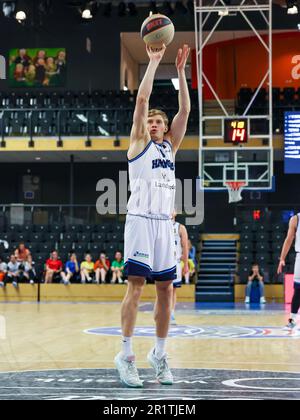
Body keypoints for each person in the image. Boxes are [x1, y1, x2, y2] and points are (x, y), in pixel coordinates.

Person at [115, 43, 190, 388]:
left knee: (165, 291)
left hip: (164, 225)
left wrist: (180, 72)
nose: (157, 124)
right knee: (136, 287)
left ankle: (159, 354)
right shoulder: (138, 143)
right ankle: (126, 354)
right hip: (141, 221)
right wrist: (155, 61)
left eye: (161, 121)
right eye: (153, 121)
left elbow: (185, 112)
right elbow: (142, 100)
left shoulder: (169, 149)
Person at [278, 214, 300, 328]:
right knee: (298, 291)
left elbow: (289, 240)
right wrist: (282, 258)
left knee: (298, 291)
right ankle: (292, 319)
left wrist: (282, 258)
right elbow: (289, 239)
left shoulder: (295, 219)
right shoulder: (296, 219)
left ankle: (292, 319)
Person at [171, 213, 189, 325]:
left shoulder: (180, 227)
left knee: (172, 289)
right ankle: (162, 312)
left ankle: (171, 313)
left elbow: (185, 246)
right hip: (163, 261)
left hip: (175, 262)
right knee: (162, 289)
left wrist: (186, 264)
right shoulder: (160, 225)